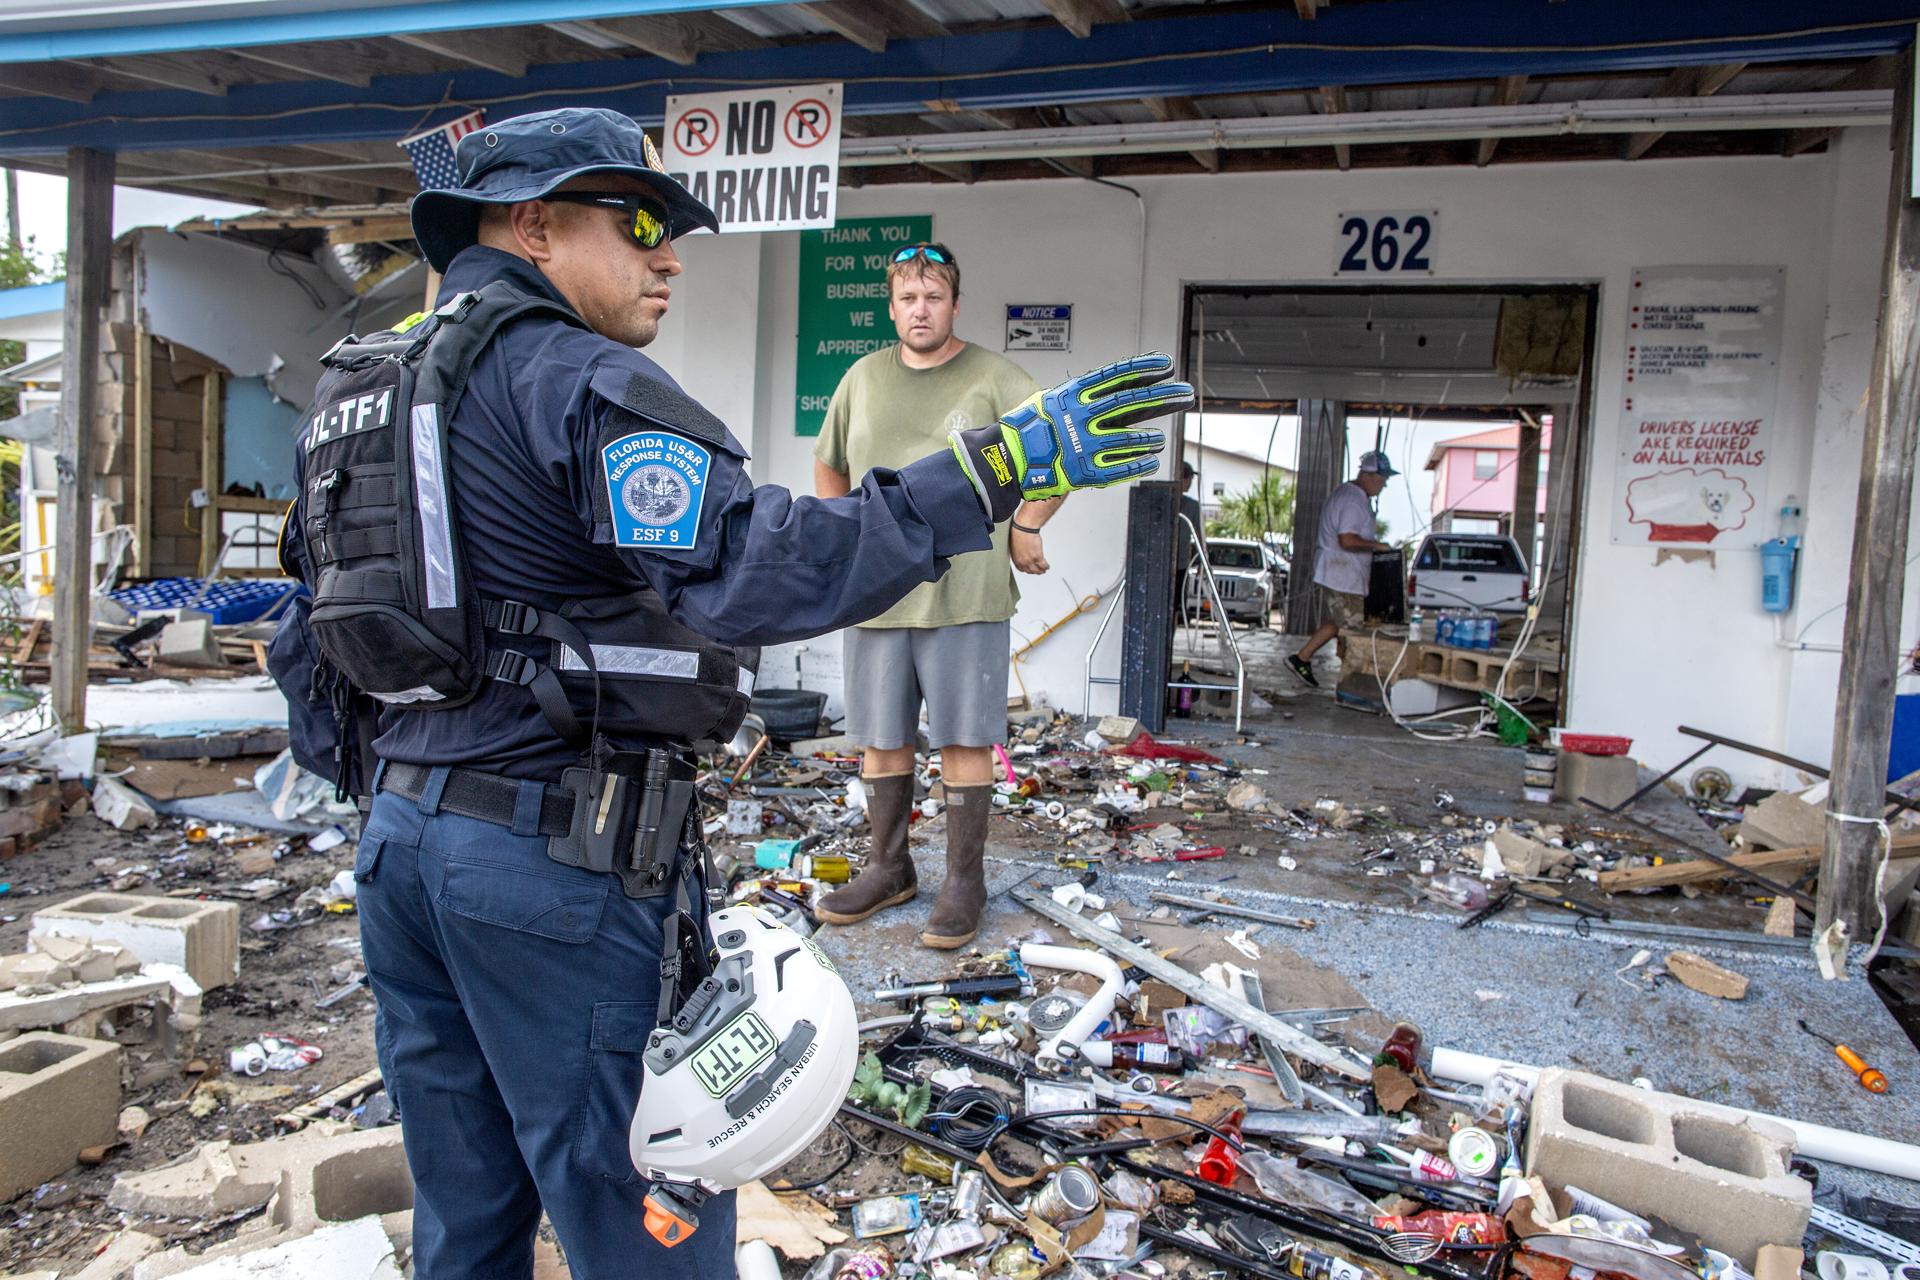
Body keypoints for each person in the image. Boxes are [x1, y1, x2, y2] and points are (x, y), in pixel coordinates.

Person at [269, 107, 1189, 1280]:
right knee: (651, 1202)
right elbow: (760, 566)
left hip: (401, 852)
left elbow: (307, 640)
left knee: (467, 1208)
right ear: (536, 225)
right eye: (642, 221)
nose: (671, 254)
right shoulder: (574, 378)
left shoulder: (368, 385)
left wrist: (417, 795)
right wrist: (992, 471)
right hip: (553, 865)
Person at [811, 242, 1053, 950]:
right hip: (879, 595)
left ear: (954, 303)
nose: (921, 309)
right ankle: (890, 868)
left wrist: (1028, 523)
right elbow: (829, 468)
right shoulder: (861, 379)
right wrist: (838, 543)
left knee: (964, 740)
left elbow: (1055, 454)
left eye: (934, 296)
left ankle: (963, 883)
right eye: (908, 297)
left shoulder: (997, 378)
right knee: (880, 740)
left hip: (967, 592)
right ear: (892, 306)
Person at [1287, 450, 1398, 687]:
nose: (1384, 486)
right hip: (1342, 575)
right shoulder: (1353, 501)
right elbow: (1346, 540)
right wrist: (1377, 546)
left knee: (1339, 621)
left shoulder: (1348, 494)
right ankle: (1352, 682)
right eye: (1382, 480)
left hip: (1341, 574)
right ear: (1368, 476)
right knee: (1353, 630)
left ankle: (1301, 657)